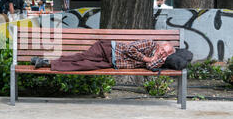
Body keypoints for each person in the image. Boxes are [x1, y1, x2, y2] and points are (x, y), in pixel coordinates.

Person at [32, 40, 176, 71]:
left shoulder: (157, 58)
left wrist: (161, 59)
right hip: (107, 49)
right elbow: (130, 48)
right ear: (160, 45)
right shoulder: (150, 44)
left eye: (165, 53)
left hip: (110, 63)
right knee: (81, 57)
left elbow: (151, 66)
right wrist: (146, 58)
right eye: (163, 49)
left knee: (83, 65)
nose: (162, 52)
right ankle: (45, 61)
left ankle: (45, 63)